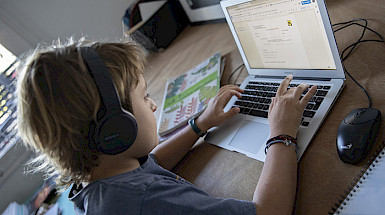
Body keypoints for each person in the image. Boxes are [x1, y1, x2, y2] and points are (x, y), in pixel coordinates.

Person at [17, 38, 317, 215]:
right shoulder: (143, 201)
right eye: (144, 95)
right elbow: (268, 213)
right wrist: (282, 133)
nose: (153, 104)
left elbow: (153, 161)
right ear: (115, 128)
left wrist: (200, 124)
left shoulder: (103, 174)